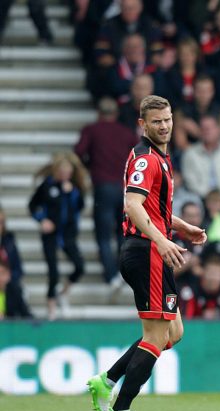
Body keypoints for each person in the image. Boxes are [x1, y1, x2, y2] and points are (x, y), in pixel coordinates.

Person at [86, 95, 208, 411]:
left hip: (150, 249)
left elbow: (153, 208)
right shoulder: (145, 159)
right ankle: (119, 410)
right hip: (146, 252)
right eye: (157, 121)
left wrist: (181, 227)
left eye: (168, 119)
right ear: (143, 124)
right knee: (155, 337)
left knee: (174, 333)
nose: (164, 126)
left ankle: (108, 380)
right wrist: (162, 239)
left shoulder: (160, 157)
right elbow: (133, 206)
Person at [75, 97, 139, 287]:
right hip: (125, 188)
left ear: (99, 113)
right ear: (116, 114)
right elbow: (139, 156)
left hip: (103, 186)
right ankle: (123, 272)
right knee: (123, 232)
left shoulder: (92, 130)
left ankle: (111, 275)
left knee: (103, 235)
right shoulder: (126, 133)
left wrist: (90, 165)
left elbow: (77, 152)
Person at [29, 153, 88, 319]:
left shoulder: (74, 188)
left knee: (79, 266)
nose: (65, 176)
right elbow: (32, 205)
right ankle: (52, 308)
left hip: (68, 234)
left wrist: (72, 193)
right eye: (62, 172)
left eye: (68, 173)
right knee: (53, 271)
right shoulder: (47, 186)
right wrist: (42, 220)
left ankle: (63, 293)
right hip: (51, 235)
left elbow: (80, 206)